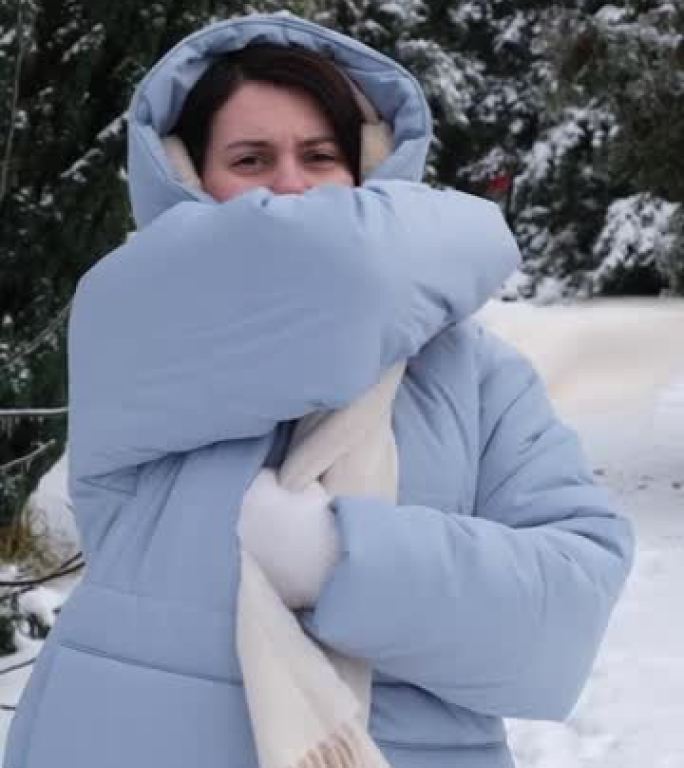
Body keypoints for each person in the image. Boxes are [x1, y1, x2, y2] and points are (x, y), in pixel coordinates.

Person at [3, 13, 634, 768]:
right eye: (250, 158)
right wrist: (478, 230)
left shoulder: (475, 376)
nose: (293, 187)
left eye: (321, 155)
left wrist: (340, 561)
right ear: (186, 175)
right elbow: (336, 273)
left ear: (368, 170)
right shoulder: (132, 322)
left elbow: (567, 609)